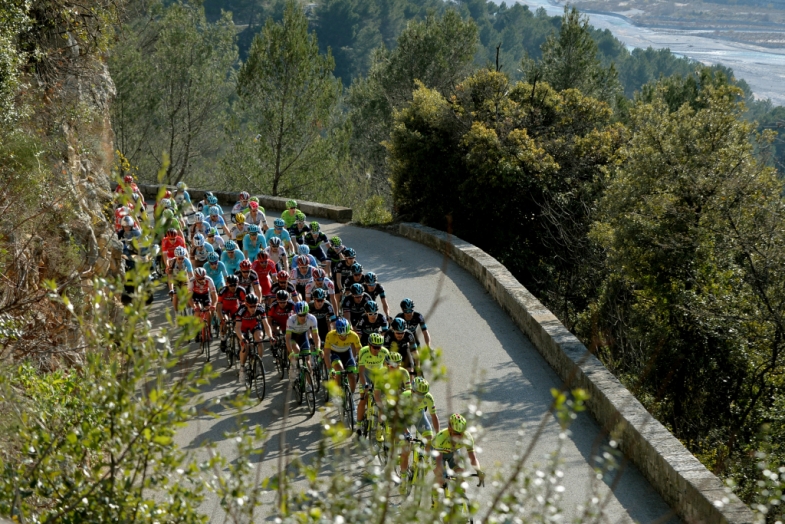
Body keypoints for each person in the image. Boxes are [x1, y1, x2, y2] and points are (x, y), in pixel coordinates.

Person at [399, 377, 440, 473]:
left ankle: (423, 461)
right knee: (406, 449)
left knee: (430, 438)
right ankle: (404, 478)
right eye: (419, 396)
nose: (420, 399)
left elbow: (434, 416)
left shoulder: (429, 398)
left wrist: (438, 433)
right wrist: (407, 432)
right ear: (412, 391)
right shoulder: (404, 396)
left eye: (423, 396)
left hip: (419, 416)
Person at [432, 414, 484, 487]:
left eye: (461, 433)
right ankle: (435, 495)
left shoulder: (467, 437)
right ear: (449, 429)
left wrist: (479, 471)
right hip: (438, 454)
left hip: (453, 453)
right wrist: (443, 474)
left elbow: (473, 458)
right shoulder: (441, 437)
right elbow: (438, 461)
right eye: (455, 433)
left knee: (461, 478)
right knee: (440, 479)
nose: (458, 436)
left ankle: (460, 496)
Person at [234, 293, 275, 384]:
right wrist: (242, 338)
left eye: (255, 306)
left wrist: (271, 336)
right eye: (251, 306)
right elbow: (237, 328)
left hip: (254, 324)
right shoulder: (241, 310)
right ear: (246, 305)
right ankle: (242, 368)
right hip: (242, 327)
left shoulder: (260, 308)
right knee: (245, 346)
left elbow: (266, 325)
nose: (253, 309)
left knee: (259, 340)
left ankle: (259, 362)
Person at [356, 333, 391, 441]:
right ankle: (359, 424)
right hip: (365, 373)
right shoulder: (363, 351)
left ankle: (379, 429)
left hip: (378, 374)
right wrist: (365, 384)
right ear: (369, 345)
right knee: (363, 399)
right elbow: (361, 372)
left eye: (379, 347)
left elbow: (387, 370)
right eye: (375, 347)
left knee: (381, 402)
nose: (377, 349)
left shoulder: (385, 352)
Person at [323, 317, 361, 395]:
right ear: (337, 332)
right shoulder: (330, 335)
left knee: (352, 375)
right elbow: (326, 353)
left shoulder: (353, 335)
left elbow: (360, 351)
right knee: (339, 370)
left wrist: (360, 365)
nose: (343, 337)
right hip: (335, 353)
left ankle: (351, 397)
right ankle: (339, 393)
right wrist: (330, 369)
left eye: (345, 335)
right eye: (341, 335)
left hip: (347, 353)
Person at [285, 301, 321, 380]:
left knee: (307, 359)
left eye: (304, 314)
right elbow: (287, 338)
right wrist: (291, 352)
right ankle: (293, 367)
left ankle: (310, 385)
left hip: (303, 336)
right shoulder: (291, 320)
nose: (302, 317)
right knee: (297, 351)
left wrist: (318, 348)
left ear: (307, 312)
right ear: (296, 313)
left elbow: (316, 335)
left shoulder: (312, 318)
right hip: (293, 337)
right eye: (300, 315)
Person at [187, 267, 218, 345]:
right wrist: (194, 307)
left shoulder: (209, 280)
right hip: (195, 295)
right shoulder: (191, 281)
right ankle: (197, 331)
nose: (202, 280)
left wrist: (213, 305)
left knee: (208, 310)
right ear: (196, 278)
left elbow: (214, 295)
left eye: (203, 278)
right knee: (198, 310)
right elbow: (189, 297)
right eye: (200, 279)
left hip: (205, 295)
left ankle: (209, 331)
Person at [217, 274, 246, 352]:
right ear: (227, 284)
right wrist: (222, 318)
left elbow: (244, 305)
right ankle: (223, 338)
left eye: (235, 285)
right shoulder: (223, 291)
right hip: (224, 308)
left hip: (235, 308)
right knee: (225, 321)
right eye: (231, 285)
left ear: (238, 283)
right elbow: (219, 307)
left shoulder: (241, 290)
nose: (233, 287)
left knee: (237, 323)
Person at [166, 246, 193, 313]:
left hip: (184, 278)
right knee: (175, 296)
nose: (181, 260)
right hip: (176, 279)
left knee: (188, 294)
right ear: (176, 257)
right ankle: (176, 313)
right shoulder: (172, 262)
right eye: (179, 258)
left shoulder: (187, 261)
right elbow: (170, 277)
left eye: (182, 258)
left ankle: (189, 312)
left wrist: (192, 285)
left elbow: (191, 275)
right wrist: (171, 289)